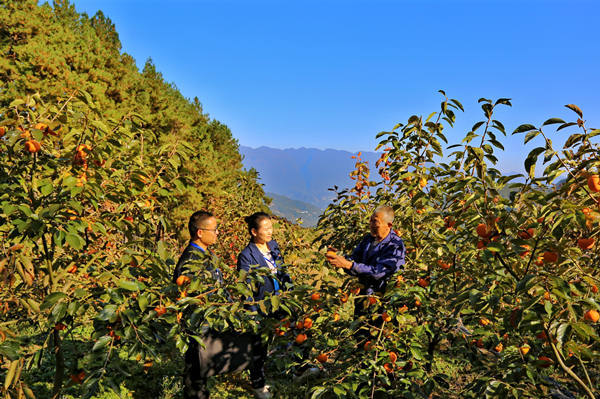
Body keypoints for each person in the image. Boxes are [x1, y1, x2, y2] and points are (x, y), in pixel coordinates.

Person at [174, 211, 272, 399]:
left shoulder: (205, 254)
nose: (218, 233)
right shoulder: (191, 260)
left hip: (210, 321)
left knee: (201, 370)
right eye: (214, 229)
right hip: (199, 325)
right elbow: (187, 294)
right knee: (196, 373)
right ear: (200, 233)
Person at [326, 206, 405, 316]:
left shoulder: (395, 245)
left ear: (389, 225)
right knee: (359, 330)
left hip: (382, 304)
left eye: (375, 221)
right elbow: (355, 259)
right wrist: (340, 257)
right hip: (363, 298)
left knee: (375, 331)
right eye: (370, 220)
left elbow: (379, 272)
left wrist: (348, 265)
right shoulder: (368, 239)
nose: (371, 224)